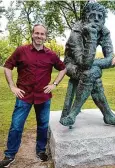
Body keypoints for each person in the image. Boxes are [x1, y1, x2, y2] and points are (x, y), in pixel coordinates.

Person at [0, 24, 66, 167]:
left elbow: (63, 68)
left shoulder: (51, 54)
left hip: (43, 97)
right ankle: (10, 155)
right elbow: (7, 66)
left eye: (42, 34)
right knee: (16, 126)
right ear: (32, 34)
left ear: (45, 37)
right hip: (24, 96)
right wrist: (12, 86)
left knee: (42, 126)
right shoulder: (21, 51)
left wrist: (54, 84)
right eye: (37, 33)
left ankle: (40, 150)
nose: (39, 36)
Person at [59, 2, 115, 128]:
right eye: (93, 15)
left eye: (100, 16)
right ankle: (107, 115)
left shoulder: (104, 32)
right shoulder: (76, 32)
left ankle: (73, 114)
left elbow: (110, 60)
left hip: (87, 66)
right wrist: (92, 37)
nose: (97, 19)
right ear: (86, 17)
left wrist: (95, 64)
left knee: (92, 73)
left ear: (103, 20)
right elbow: (83, 63)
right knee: (92, 72)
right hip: (72, 65)